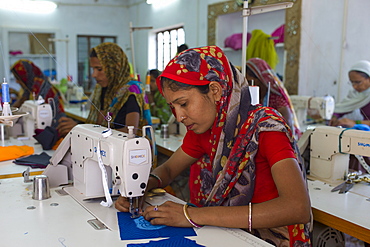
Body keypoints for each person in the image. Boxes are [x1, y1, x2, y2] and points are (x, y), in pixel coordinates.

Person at [115, 46, 312, 246]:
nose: (179, 116)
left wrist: (191, 215)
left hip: (272, 239)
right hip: (232, 234)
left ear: (215, 91)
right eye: (172, 107)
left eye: (183, 104)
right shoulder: (206, 129)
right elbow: (168, 168)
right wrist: (140, 187)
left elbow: (297, 208)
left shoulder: (265, 129)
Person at [57, 42, 152, 136]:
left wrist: (81, 129)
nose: (94, 75)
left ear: (115, 67)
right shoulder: (103, 89)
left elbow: (130, 133)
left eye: (99, 69)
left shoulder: (132, 91)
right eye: (93, 69)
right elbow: (99, 125)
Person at [245, 57, 301, 138]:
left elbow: (288, 126)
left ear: (262, 79)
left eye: (251, 82)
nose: (249, 86)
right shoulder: (250, 96)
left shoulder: (276, 99)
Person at [10, 59, 65, 126]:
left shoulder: (40, 88)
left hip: (55, 126)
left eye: (18, 78)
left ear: (25, 76)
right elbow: (21, 102)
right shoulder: (29, 87)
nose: (17, 82)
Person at [330, 60, 370, 128]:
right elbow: (343, 108)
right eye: (352, 82)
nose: (354, 86)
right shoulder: (356, 94)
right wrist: (334, 116)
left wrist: (355, 122)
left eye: (358, 82)